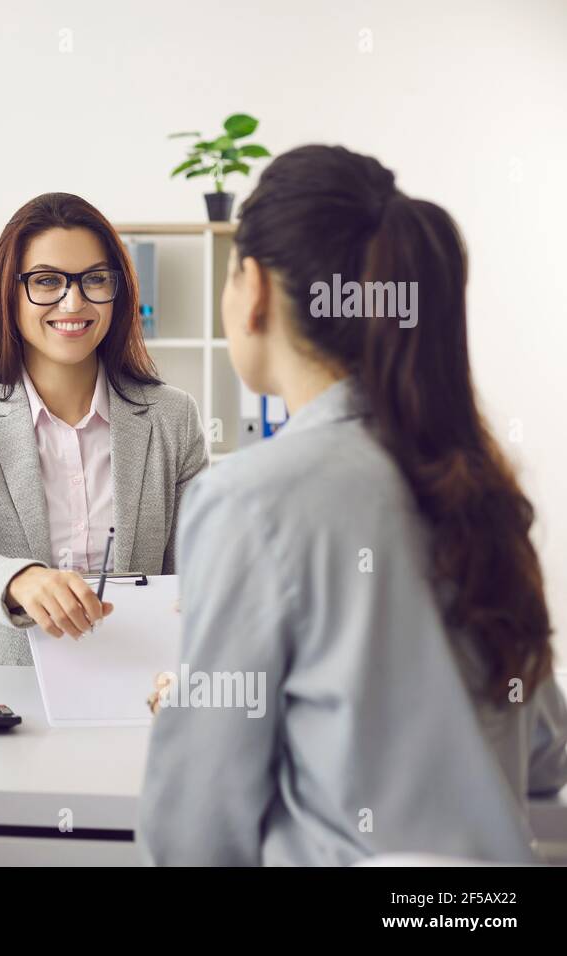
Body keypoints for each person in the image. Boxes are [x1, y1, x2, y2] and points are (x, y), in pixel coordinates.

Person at [136, 144, 567, 865]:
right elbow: (546, 752)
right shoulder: (474, 480)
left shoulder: (248, 498)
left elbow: (192, 840)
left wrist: (203, 707)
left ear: (256, 290)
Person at [0, 192, 208, 665]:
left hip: (136, 683)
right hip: (2, 691)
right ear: (8, 293)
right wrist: (21, 580)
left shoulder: (173, 417)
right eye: (47, 281)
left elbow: (193, 573)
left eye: (94, 279)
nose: (74, 301)